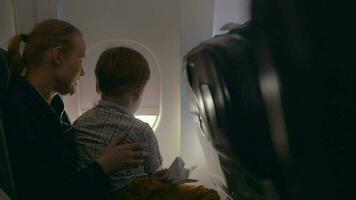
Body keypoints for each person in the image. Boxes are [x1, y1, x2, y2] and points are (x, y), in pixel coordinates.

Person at [2, 19, 148, 200]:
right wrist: (104, 166)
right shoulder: (18, 111)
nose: (83, 72)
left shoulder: (53, 108)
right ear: (58, 56)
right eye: (80, 60)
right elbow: (45, 193)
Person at [74, 47, 220, 200]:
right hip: (136, 193)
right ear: (138, 92)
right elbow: (156, 173)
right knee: (207, 195)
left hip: (95, 191)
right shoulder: (140, 129)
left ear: (98, 85)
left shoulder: (79, 124)